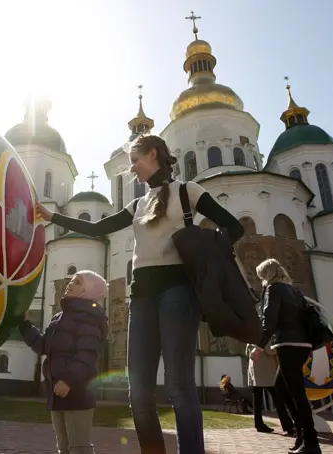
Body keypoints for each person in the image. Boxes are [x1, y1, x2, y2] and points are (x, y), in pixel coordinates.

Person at [36, 134, 244, 454]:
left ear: (152, 155)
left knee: (179, 387)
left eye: (135, 161)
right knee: (139, 392)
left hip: (178, 293)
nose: (132, 169)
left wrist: (203, 250)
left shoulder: (188, 192)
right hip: (142, 298)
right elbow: (95, 230)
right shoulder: (137, 205)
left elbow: (233, 227)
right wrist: (53, 217)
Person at [19, 270, 109, 454]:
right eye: (72, 280)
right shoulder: (59, 318)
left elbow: (87, 354)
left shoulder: (89, 318)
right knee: (64, 447)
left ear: (88, 292)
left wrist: (68, 380)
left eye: (77, 282)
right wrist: (26, 325)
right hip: (56, 391)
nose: (70, 283)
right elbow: (43, 346)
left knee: (79, 448)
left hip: (76, 391)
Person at [252, 258, 321, 454]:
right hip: (303, 344)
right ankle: (302, 436)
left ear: (267, 274)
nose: (261, 280)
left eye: (261, 276)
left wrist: (259, 347)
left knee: (297, 394)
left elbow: (269, 320)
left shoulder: (273, 289)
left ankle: (311, 442)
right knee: (282, 386)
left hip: (287, 343)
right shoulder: (294, 291)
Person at [246, 341, 296, 434]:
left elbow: (247, 351)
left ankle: (259, 424)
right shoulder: (263, 332)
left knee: (257, 397)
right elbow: (270, 350)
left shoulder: (251, 333)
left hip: (255, 368)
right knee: (278, 397)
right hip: (266, 369)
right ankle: (287, 425)